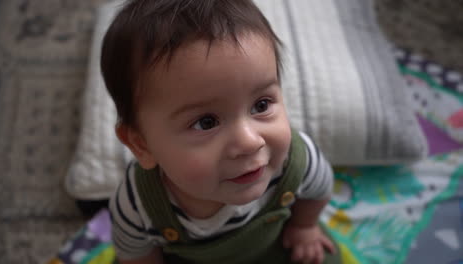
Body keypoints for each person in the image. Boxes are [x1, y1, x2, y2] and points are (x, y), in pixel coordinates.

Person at [101, 0, 340, 263]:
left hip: (273, 249)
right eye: (206, 122)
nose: (250, 142)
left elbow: (319, 189)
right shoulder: (137, 204)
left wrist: (303, 227)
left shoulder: (298, 159)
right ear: (141, 144)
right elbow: (136, 253)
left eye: (261, 105)